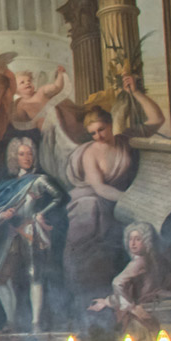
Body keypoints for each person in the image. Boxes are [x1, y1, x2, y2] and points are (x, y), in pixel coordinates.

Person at [0, 136, 66, 332]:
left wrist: (41, 213)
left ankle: (35, 323)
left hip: (31, 230)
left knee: (34, 274)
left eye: (30, 154)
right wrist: (2, 214)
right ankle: (11, 321)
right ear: (15, 157)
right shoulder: (6, 185)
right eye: (22, 154)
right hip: (12, 232)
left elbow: (60, 197)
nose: (26, 157)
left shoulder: (40, 180)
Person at [63, 105, 143, 305]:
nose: (98, 136)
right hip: (93, 195)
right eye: (92, 133)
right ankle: (80, 286)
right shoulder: (91, 153)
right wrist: (128, 199)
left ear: (110, 125)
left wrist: (136, 93)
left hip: (116, 197)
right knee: (89, 215)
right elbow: (99, 187)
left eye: (101, 129)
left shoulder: (125, 142)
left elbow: (156, 120)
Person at [87, 222, 171, 338]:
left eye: (138, 239)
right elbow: (127, 294)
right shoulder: (152, 260)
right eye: (130, 239)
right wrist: (106, 302)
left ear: (146, 241)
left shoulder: (139, 262)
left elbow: (117, 283)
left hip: (140, 317)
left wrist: (132, 308)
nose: (133, 244)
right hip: (150, 311)